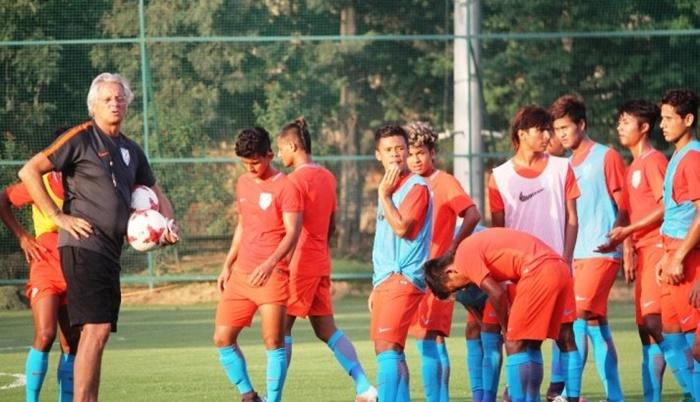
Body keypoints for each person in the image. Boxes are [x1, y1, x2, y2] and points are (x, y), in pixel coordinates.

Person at [17, 73, 178, 402]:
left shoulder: (131, 150)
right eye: (107, 99)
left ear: (128, 103)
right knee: (96, 328)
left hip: (109, 252)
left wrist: (167, 226)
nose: (114, 103)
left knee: (97, 332)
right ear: (93, 106)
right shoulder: (81, 137)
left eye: (119, 98)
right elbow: (29, 171)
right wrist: (57, 216)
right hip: (82, 246)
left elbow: (158, 196)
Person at [276, 117, 377, 402]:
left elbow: (290, 229)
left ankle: (274, 397)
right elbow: (332, 225)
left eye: (281, 149)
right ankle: (365, 388)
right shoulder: (328, 176)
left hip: (300, 262)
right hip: (321, 259)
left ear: (293, 145)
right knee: (325, 328)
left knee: (280, 327)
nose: (280, 155)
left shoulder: (293, 181)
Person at [598, 99, 692, 401]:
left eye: (626, 122)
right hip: (640, 252)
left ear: (644, 127)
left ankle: (692, 386)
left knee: (658, 323)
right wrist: (623, 242)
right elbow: (625, 213)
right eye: (619, 122)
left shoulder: (654, 162)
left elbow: (665, 208)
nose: (620, 127)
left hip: (658, 248)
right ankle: (653, 396)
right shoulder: (630, 168)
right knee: (645, 330)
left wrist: (628, 232)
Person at [488, 106, 581, 402]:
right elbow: (499, 233)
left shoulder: (562, 167)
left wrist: (566, 260)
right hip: (519, 274)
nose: (547, 135)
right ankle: (526, 395)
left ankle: (571, 396)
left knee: (565, 335)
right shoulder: (499, 177)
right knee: (526, 342)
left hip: (556, 269)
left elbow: (572, 219)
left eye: (548, 129)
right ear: (521, 134)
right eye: (540, 130)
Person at [424, 228, 576, 402]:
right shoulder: (473, 247)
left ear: (449, 272)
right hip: (559, 267)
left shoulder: (463, 256)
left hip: (537, 270)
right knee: (542, 343)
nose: (463, 289)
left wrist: (505, 327)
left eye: (455, 288)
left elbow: (496, 293)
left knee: (514, 343)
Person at [213, 127, 302, 402]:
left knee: (273, 342)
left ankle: (273, 399)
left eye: (255, 162)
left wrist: (271, 263)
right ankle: (249, 396)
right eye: (245, 163)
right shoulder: (243, 183)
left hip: (272, 275)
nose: (250, 168)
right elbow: (243, 225)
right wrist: (227, 263)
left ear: (270, 155)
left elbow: (293, 232)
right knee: (222, 338)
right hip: (241, 275)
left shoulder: (287, 187)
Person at [550, 94, 626, 402]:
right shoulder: (565, 166)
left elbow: (624, 206)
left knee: (576, 317)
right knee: (595, 324)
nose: (562, 134)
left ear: (581, 124)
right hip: (575, 257)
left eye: (566, 127)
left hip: (601, 253)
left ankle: (570, 394)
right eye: (557, 129)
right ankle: (616, 395)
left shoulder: (606, 156)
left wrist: (622, 240)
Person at [0, 128, 79, 402]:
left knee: (71, 343)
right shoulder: (40, 182)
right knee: (45, 334)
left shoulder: (87, 183)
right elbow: (4, 199)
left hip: (76, 265)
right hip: (45, 265)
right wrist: (23, 237)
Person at [404, 121, 480, 402]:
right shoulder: (407, 184)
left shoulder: (444, 182)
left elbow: (472, 214)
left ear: (432, 152)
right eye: (409, 153)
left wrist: (451, 252)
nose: (414, 159)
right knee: (422, 337)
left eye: (420, 152)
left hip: (435, 275)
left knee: (431, 336)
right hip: (410, 274)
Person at [370, 125, 432, 402]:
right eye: (389, 150)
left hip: (404, 276)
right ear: (378, 155)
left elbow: (402, 229)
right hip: (385, 279)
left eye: (400, 148)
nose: (396, 154)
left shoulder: (416, 186)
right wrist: (376, 284)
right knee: (389, 348)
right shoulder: (387, 188)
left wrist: (384, 195)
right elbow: (383, 241)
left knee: (387, 346)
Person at [656, 89, 700, 400]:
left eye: (669, 118)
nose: (663, 124)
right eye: (662, 118)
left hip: (689, 259)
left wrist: (679, 256)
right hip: (672, 254)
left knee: (697, 347)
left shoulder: (693, 157)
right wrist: (665, 255)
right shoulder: (678, 156)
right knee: (671, 337)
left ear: (688, 119)